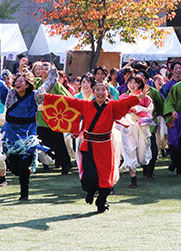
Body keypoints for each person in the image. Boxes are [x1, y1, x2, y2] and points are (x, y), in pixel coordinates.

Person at [41, 79, 148, 213]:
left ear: (107, 92)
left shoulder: (112, 106)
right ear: (93, 92)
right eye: (97, 89)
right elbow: (67, 101)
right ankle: (90, 191)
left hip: (105, 146)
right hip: (89, 145)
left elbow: (125, 103)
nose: (100, 92)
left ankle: (102, 201)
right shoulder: (85, 104)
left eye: (103, 89)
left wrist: (138, 97)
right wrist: (46, 96)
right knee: (88, 177)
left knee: (106, 180)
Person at [0, 60, 57, 200]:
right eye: (16, 81)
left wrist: (53, 72)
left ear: (28, 84)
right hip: (11, 137)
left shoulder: (35, 96)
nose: (17, 83)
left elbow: (48, 85)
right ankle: (35, 161)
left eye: (21, 81)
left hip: (27, 137)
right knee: (14, 168)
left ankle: (24, 194)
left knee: (24, 167)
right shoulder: (9, 95)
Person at [116, 75, 153, 188]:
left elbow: (150, 111)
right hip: (127, 127)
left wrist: (138, 110)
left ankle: (144, 167)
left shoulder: (146, 98)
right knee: (129, 151)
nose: (132, 85)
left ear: (140, 84)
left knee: (142, 155)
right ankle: (133, 179)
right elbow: (118, 110)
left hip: (141, 127)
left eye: (135, 82)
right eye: (130, 82)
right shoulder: (123, 96)